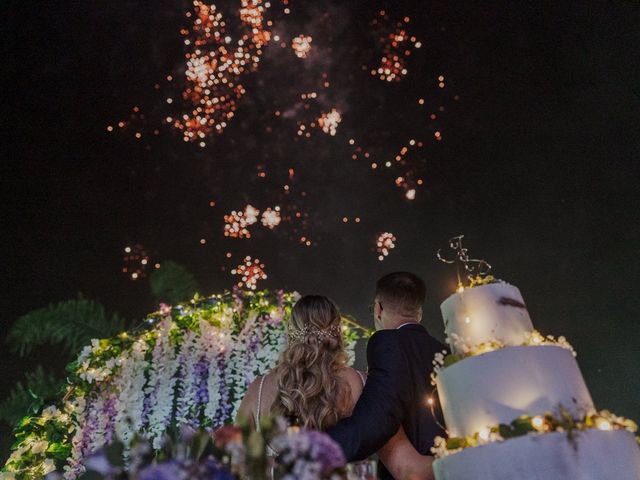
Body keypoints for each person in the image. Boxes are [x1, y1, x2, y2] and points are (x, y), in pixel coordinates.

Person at [236, 294, 427, 478]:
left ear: (290, 332)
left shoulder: (258, 390)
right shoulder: (362, 384)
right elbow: (404, 466)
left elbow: (234, 462)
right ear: (338, 334)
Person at [327, 272, 446, 480]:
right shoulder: (446, 351)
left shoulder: (387, 342)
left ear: (378, 308)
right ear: (419, 312)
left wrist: (316, 447)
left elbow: (377, 419)